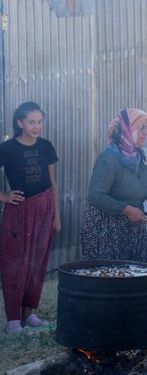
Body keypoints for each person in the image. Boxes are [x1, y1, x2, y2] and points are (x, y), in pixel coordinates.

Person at [0, 102, 61, 334]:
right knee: (15, 262)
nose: (36, 127)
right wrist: (4, 196)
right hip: (19, 211)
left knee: (37, 262)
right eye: (31, 122)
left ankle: (29, 314)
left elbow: (53, 183)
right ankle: (13, 320)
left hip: (44, 209)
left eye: (39, 122)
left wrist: (57, 216)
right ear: (20, 123)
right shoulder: (7, 148)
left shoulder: (46, 147)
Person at [81, 108, 147, 263]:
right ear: (127, 130)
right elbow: (95, 195)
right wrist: (126, 210)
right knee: (112, 279)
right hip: (106, 230)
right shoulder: (109, 159)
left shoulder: (142, 158)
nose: (145, 133)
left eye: (146, 128)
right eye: (141, 128)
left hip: (133, 228)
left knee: (134, 277)